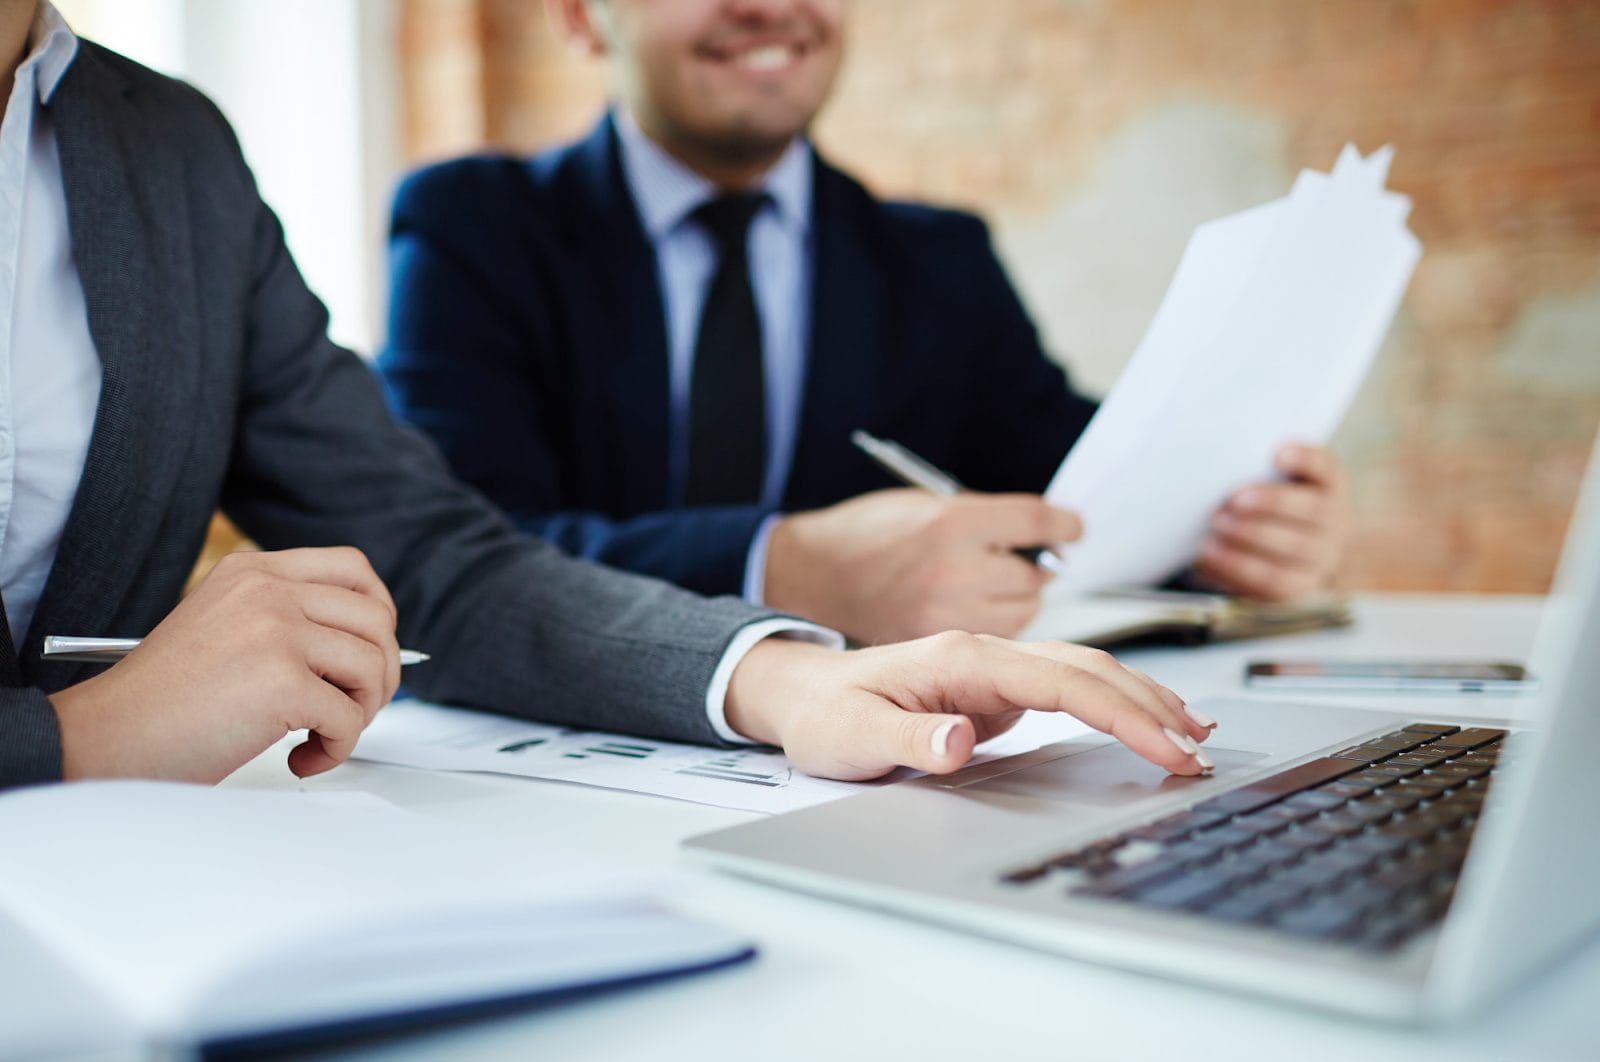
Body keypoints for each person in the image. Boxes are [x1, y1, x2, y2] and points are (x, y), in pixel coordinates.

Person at [0, 1, 1215, 791]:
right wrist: (83, 738)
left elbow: (436, 554)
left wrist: (787, 677)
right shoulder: (478, 221)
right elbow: (492, 507)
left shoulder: (169, 148)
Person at [378, 0, 1351, 648]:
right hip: (548, 758)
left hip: (877, 774)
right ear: (583, 15)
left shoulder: (938, 261)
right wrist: (780, 569)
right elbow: (449, 545)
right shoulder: (474, 229)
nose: (765, 4)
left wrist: (1228, 528)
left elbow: (1078, 480)